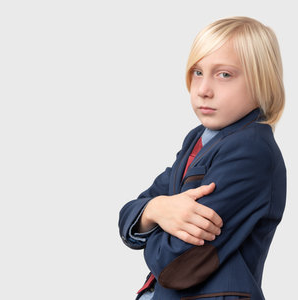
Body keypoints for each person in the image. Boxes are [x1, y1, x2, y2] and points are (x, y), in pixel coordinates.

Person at [119, 16, 286, 300]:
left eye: (224, 75)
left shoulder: (250, 151)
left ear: (262, 82)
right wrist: (158, 208)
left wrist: (153, 219)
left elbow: (175, 263)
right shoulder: (197, 140)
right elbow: (127, 216)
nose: (203, 89)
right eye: (197, 72)